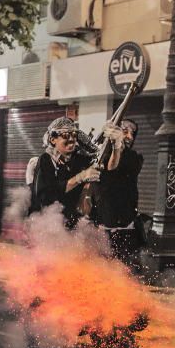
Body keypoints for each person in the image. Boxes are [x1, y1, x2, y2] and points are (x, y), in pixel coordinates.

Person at [28, 116, 98, 229]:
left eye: (74, 135)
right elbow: (45, 196)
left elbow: (99, 159)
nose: (71, 139)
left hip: (73, 224)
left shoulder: (78, 158)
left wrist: (114, 142)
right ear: (52, 140)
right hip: (48, 225)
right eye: (65, 135)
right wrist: (80, 177)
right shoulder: (46, 159)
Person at [95, 118, 144, 271]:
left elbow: (113, 168)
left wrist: (117, 146)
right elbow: (106, 172)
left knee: (125, 270)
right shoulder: (99, 155)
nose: (129, 136)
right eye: (125, 131)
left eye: (132, 133)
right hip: (103, 225)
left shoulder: (134, 157)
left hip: (126, 225)